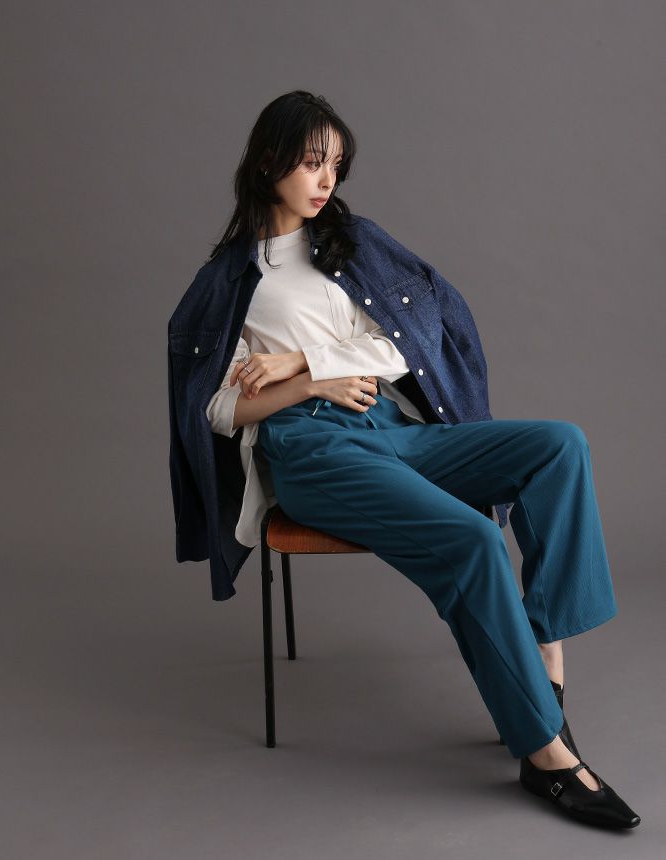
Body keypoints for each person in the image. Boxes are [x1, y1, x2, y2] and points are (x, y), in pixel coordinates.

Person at [173, 89, 640, 828]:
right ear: (267, 163)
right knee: (474, 538)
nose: (326, 180)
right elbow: (217, 409)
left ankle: (542, 654)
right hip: (312, 451)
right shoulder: (229, 282)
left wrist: (301, 358)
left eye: (336, 165)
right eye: (311, 162)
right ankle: (546, 753)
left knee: (560, 445)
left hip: (390, 428)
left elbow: (405, 345)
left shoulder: (351, 243)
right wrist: (310, 386)